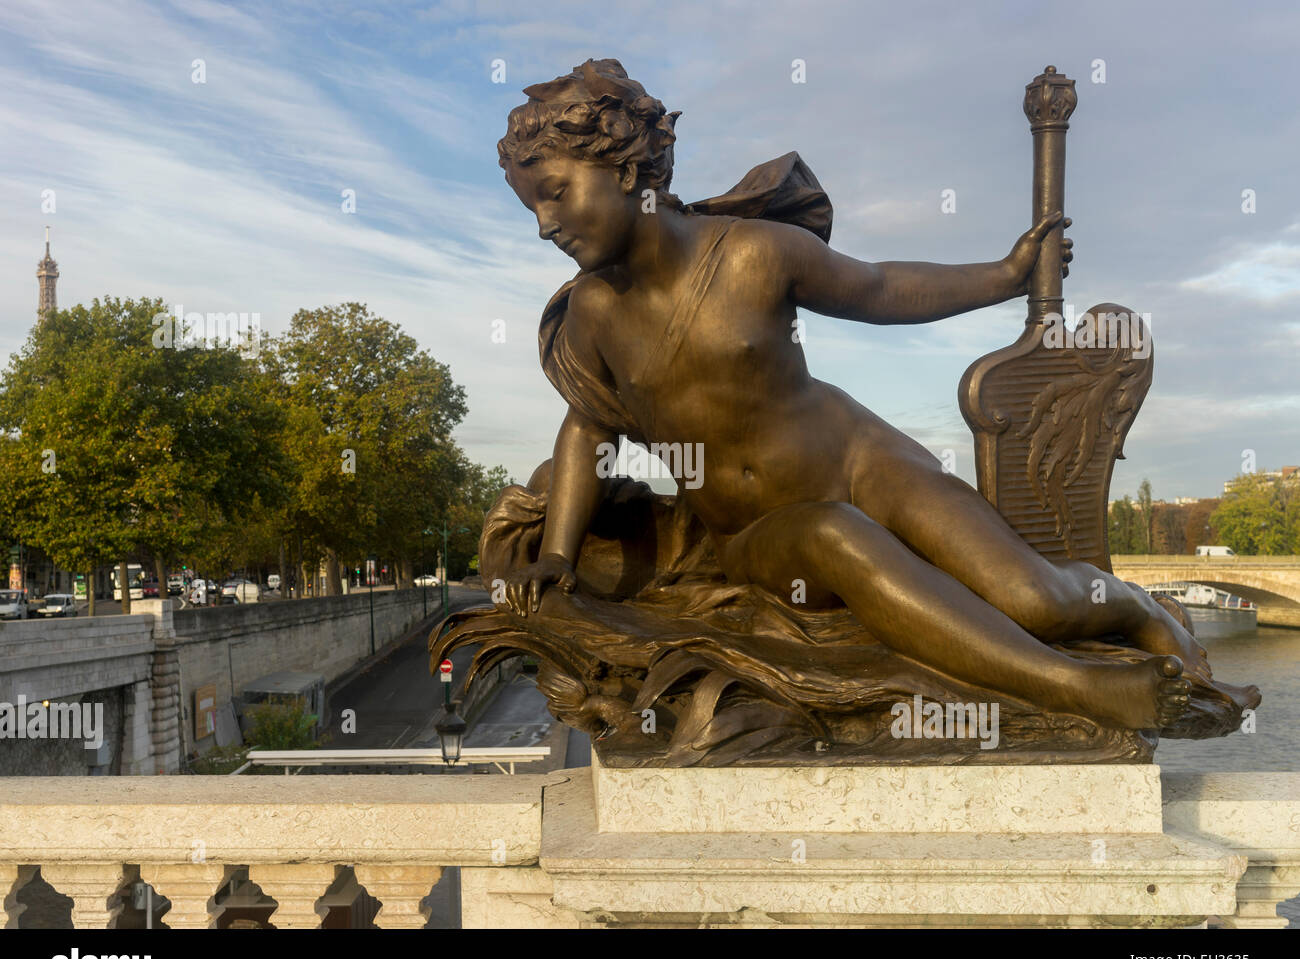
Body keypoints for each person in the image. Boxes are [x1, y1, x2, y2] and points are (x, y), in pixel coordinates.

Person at [494, 59, 1225, 732]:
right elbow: (589, 430)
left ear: (625, 170)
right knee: (832, 534)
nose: (545, 225)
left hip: (865, 456)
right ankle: (1075, 687)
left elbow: (878, 288)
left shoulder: (752, 253)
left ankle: (1133, 604)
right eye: (532, 207)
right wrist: (557, 552)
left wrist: (1005, 274)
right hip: (762, 532)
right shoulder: (591, 314)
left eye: (554, 193)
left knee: (1035, 598)